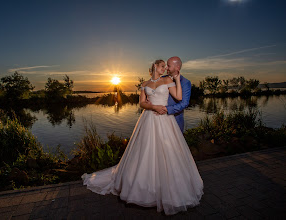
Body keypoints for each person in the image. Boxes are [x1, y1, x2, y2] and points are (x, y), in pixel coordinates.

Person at [81, 59, 204, 215]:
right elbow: (141, 104)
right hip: (148, 119)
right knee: (145, 150)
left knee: (168, 151)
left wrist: (178, 81)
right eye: (162, 66)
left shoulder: (167, 80)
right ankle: (143, 187)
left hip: (165, 120)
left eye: (166, 66)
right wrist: (152, 106)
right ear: (154, 67)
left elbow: (180, 98)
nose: (165, 68)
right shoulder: (145, 84)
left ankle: (172, 187)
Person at [147, 56, 191, 133]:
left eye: (169, 66)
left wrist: (167, 109)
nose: (166, 68)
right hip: (157, 118)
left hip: (175, 119)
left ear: (177, 68)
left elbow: (184, 103)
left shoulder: (185, 82)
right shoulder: (162, 78)